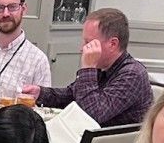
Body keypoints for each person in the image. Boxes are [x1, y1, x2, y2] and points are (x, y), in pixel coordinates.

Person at [22, 8, 153, 127]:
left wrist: (88, 68)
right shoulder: (103, 67)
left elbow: (90, 115)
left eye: (89, 43)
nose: (82, 48)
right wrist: (41, 93)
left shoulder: (132, 74)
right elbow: (72, 95)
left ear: (112, 44)